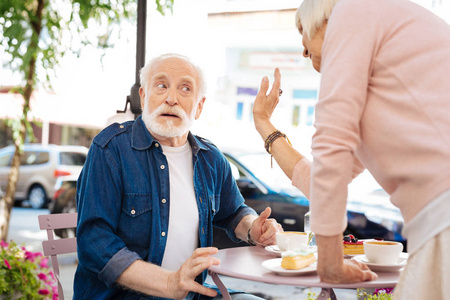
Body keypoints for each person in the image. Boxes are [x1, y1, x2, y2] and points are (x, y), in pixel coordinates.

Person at [252, 0, 450, 299]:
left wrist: (330, 262)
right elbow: (320, 178)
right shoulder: (383, 88)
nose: (303, 50)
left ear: (323, 17)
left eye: (303, 30)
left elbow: (331, 141)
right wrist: (263, 122)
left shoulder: (353, 9)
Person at [74, 53, 282, 300]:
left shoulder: (211, 158)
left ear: (199, 106)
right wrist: (168, 283)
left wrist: (253, 228)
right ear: (143, 96)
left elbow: (235, 212)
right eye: (161, 86)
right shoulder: (111, 148)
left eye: (185, 88)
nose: (171, 98)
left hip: (193, 294)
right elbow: (94, 242)